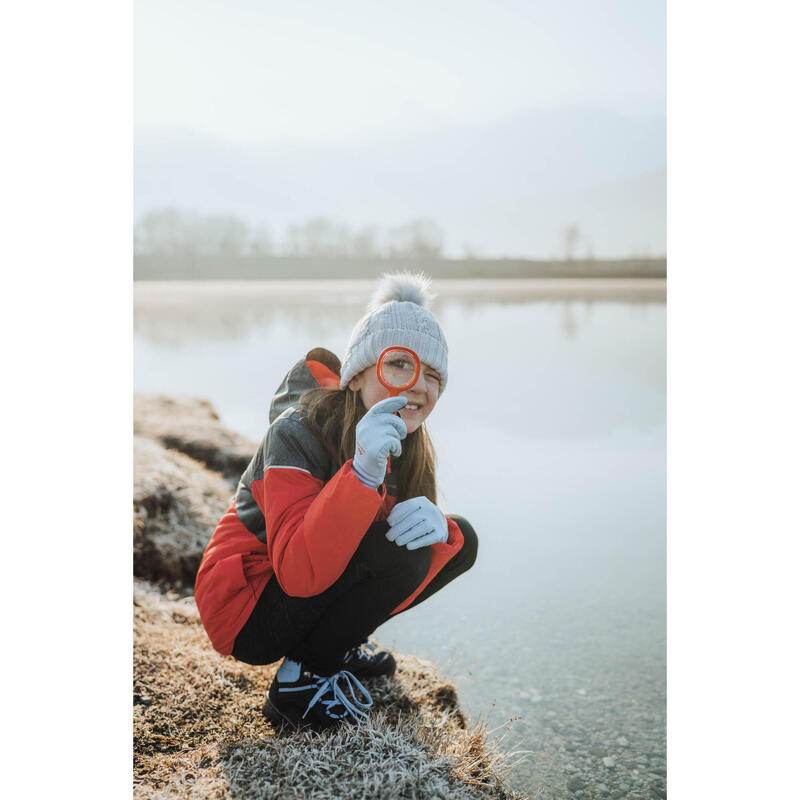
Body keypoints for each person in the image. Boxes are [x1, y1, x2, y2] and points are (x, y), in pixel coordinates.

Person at [194, 271, 479, 730]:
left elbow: (387, 543)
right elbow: (298, 570)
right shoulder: (295, 432)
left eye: (433, 376)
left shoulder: (409, 441)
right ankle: (298, 683)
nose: (418, 385)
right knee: (400, 555)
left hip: (302, 589)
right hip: (245, 607)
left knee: (459, 539)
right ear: (357, 375)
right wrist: (361, 475)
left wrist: (439, 527)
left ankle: (337, 642)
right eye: (400, 364)